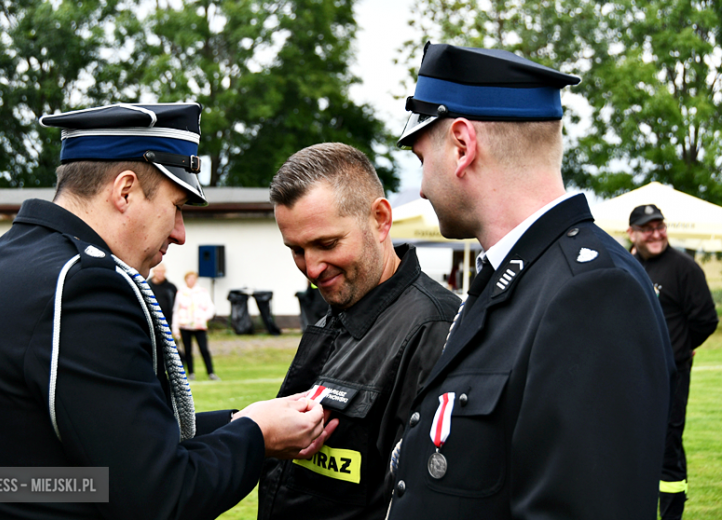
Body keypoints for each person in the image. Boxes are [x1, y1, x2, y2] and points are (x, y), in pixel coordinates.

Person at [0, 103, 331, 519]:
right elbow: (160, 496)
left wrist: (241, 419)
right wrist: (258, 435)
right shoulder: (84, 285)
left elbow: (34, 470)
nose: (180, 233)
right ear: (125, 191)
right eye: (178, 205)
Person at [387, 43, 676, 520]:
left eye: (421, 158)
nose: (420, 186)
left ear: (462, 145)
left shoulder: (590, 292)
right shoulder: (518, 278)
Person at [258, 142, 461, 520]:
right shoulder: (336, 314)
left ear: (381, 219)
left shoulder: (434, 329)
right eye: (297, 250)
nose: (312, 268)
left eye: (327, 244)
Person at [627, 204, 719, 520]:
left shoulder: (684, 268)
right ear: (632, 234)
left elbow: (706, 319)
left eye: (659, 226)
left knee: (667, 442)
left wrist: (680, 347)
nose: (656, 234)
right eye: (647, 228)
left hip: (672, 373)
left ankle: (671, 514)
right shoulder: (627, 264)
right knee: (632, 440)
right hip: (632, 371)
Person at [172, 271, 219, 381]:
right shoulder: (181, 293)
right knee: (187, 350)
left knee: (204, 349)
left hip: (199, 325)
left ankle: (210, 372)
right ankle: (191, 372)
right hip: (185, 326)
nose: (191, 281)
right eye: (189, 278)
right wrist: (175, 328)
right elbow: (176, 311)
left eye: (193, 278)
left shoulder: (202, 292)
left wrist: (204, 317)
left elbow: (211, 307)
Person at [147, 262, 177, 328]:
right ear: (154, 272)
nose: (160, 273)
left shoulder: (171, 287)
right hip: (150, 320)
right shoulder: (146, 286)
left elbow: (176, 305)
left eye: (162, 271)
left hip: (167, 321)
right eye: (158, 271)